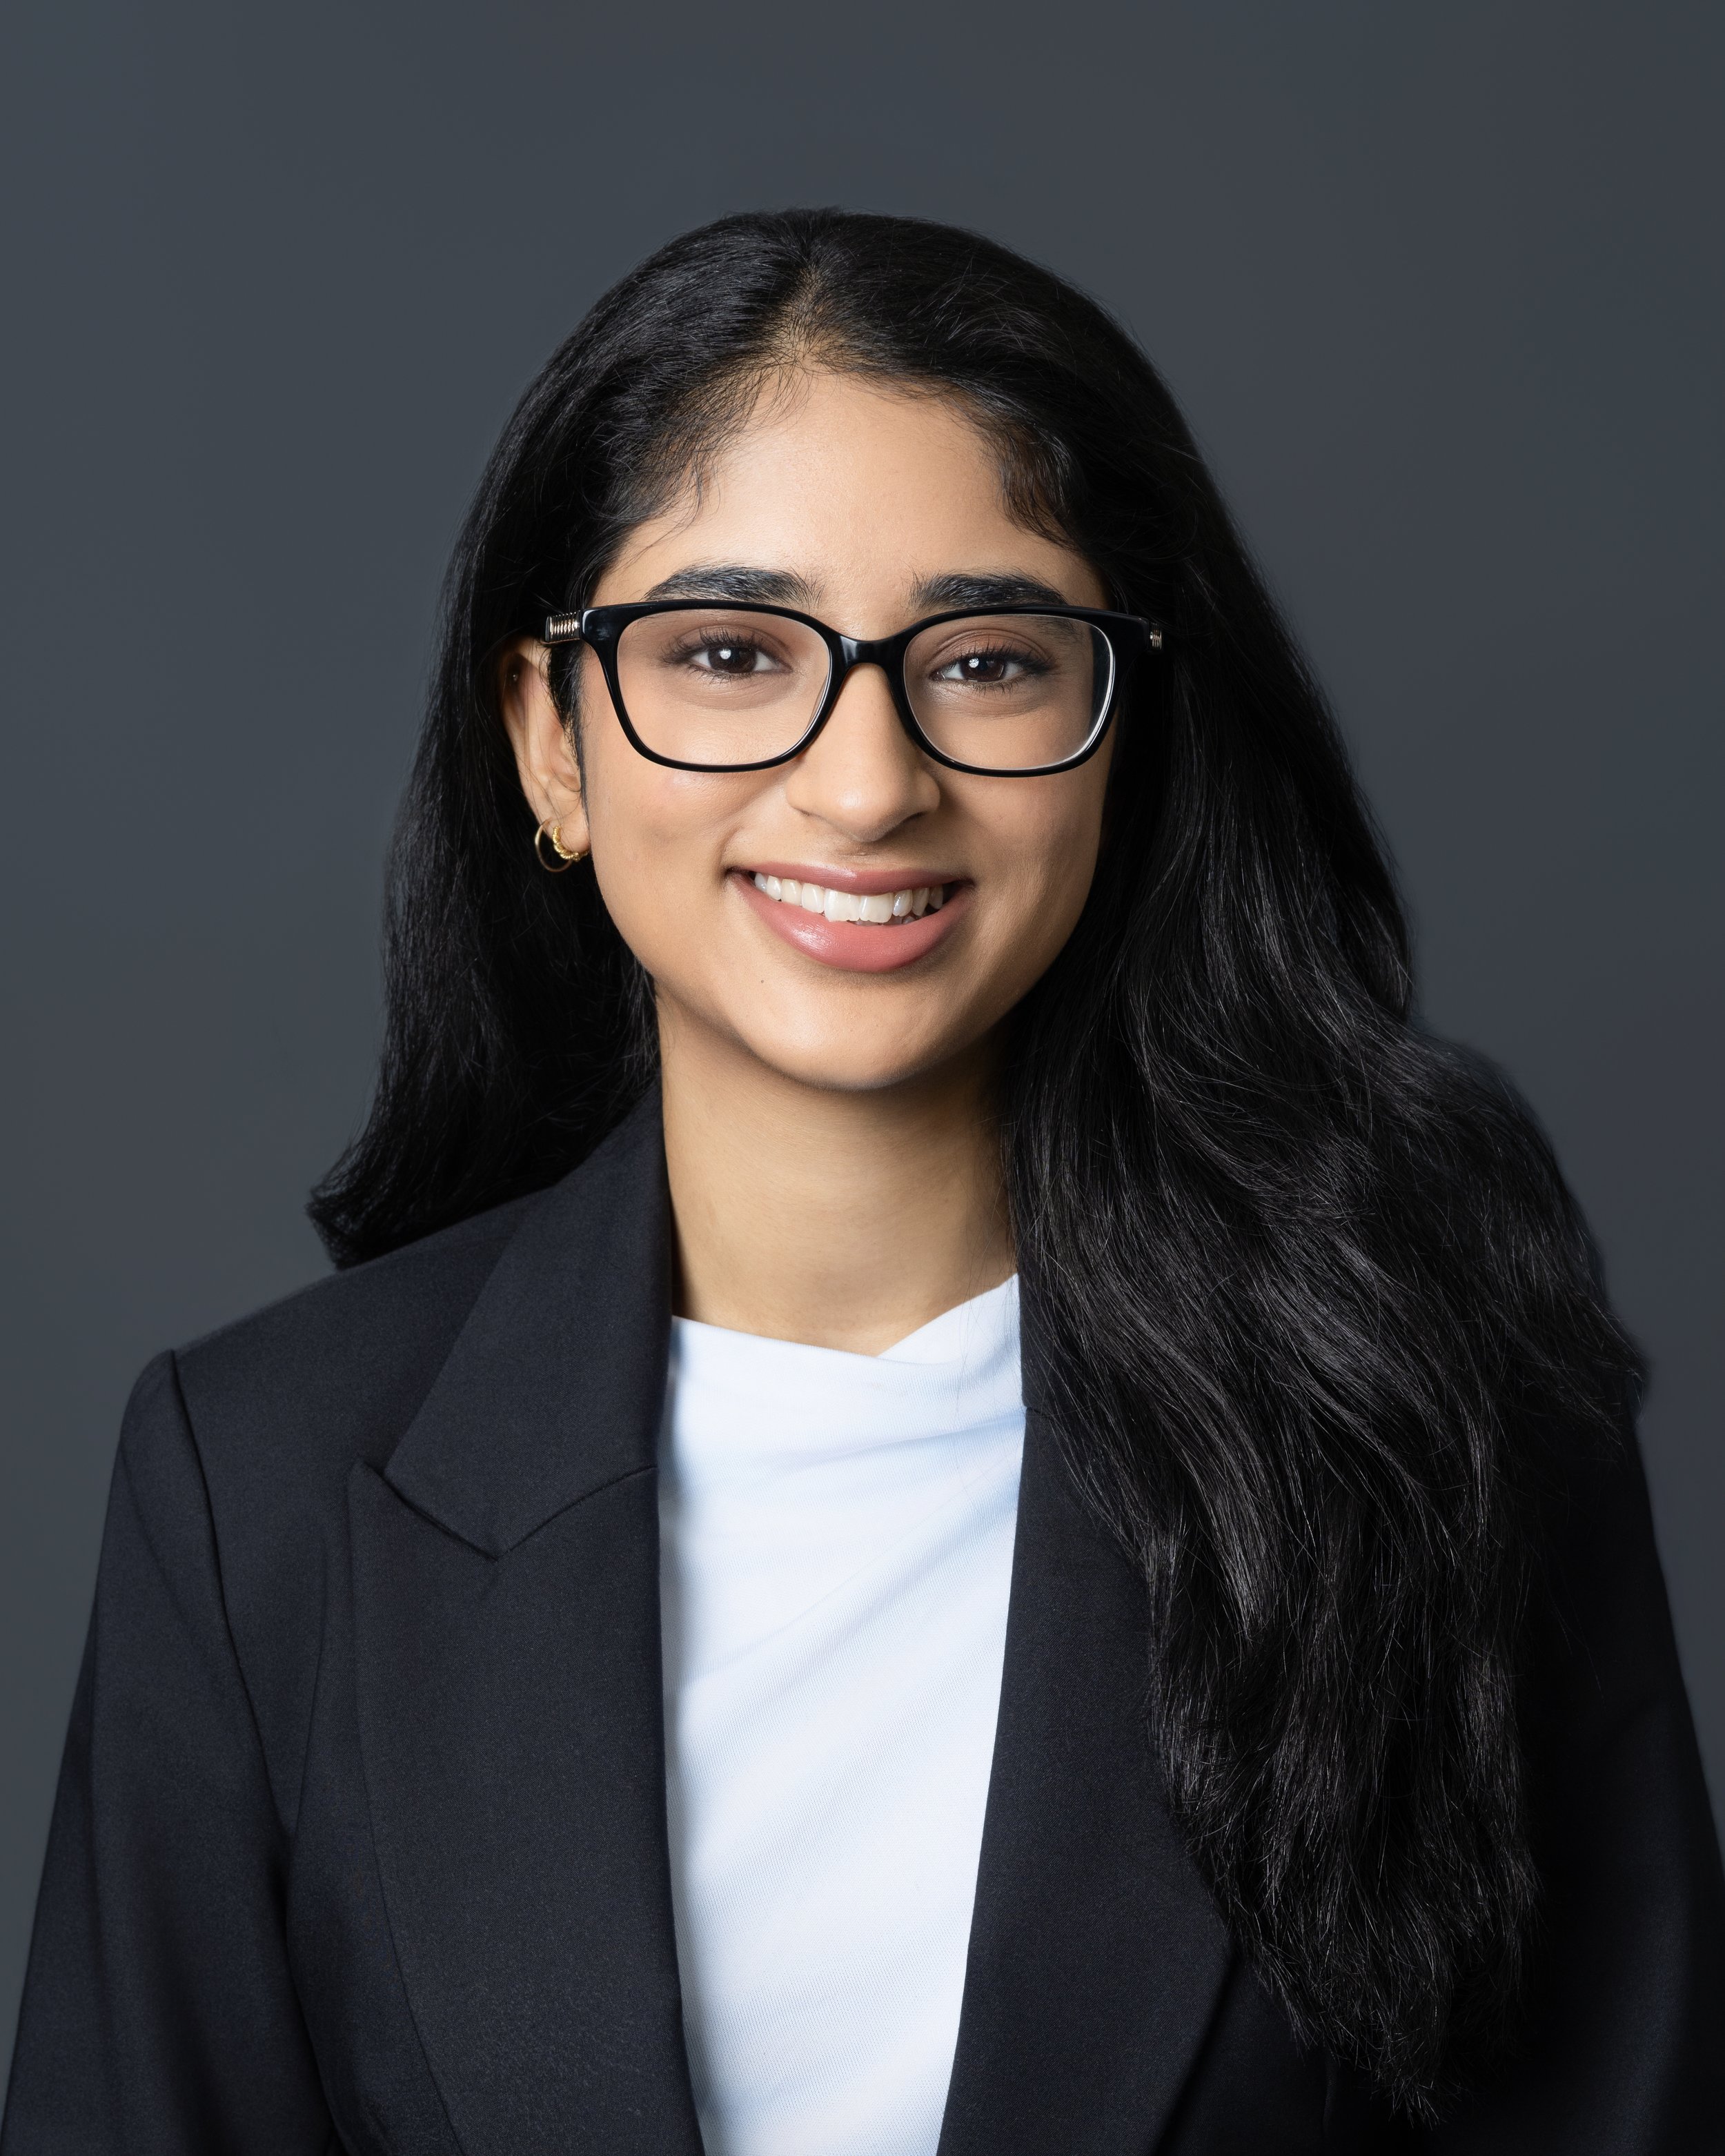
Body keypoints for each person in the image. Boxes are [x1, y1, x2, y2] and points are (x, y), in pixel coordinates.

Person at [3, 208, 1720, 2156]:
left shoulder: (1440, 1429)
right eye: (729, 653)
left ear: (1121, 740)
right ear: (547, 747)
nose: (862, 781)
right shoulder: (261, 1493)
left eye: (985, 660)